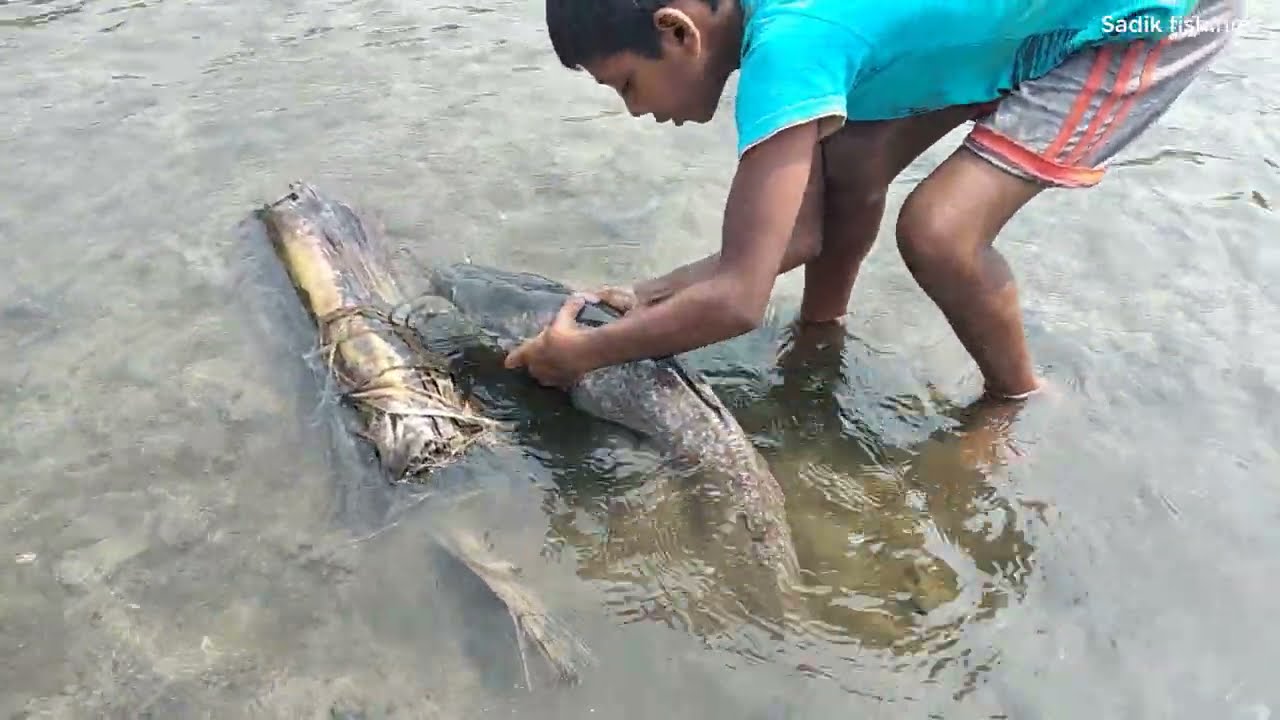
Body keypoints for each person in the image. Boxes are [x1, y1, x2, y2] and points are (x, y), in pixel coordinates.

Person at [504, 0, 1238, 401]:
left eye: (627, 85)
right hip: (1022, 15)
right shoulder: (782, 27)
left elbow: (737, 301)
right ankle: (822, 333)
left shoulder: (788, 49)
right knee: (850, 159)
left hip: (1144, 19)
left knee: (940, 232)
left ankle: (1016, 399)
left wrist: (582, 356)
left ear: (676, 29)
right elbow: (799, 233)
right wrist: (653, 293)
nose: (635, 110)